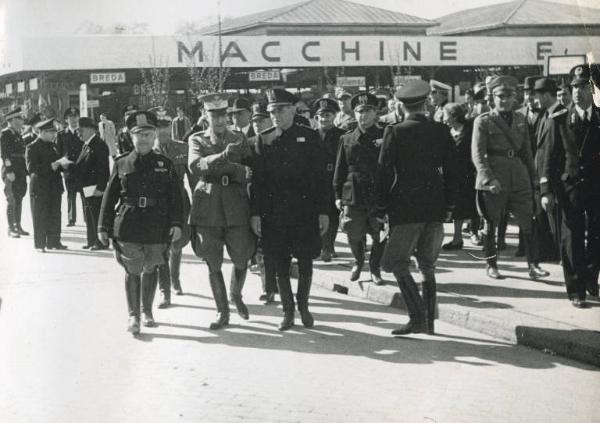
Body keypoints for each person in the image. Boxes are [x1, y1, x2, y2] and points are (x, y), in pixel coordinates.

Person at [375, 80, 459, 335]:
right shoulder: (441, 130)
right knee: (427, 265)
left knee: (395, 262)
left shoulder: (395, 131)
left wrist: (380, 206)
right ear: (425, 104)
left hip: (406, 207)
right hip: (436, 205)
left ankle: (418, 317)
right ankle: (430, 322)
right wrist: (451, 204)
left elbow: (383, 172)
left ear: (401, 106)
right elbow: (454, 172)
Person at [250, 88, 329, 331]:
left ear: (294, 109)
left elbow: (321, 179)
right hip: (274, 214)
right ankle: (288, 311)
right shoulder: (263, 140)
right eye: (272, 110)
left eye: (281, 109)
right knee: (279, 262)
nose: (276, 114)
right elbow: (258, 182)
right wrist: (255, 213)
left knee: (305, 260)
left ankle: (303, 305)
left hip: (305, 211)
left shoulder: (311, 136)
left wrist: (324, 211)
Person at [98, 110, 183, 334]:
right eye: (139, 134)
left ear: (155, 136)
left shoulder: (165, 164)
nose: (143, 138)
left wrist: (177, 223)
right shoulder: (122, 163)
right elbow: (110, 196)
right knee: (133, 268)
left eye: (148, 134)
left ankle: (147, 311)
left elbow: (176, 197)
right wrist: (103, 226)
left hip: (157, 223)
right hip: (129, 224)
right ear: (131, 136)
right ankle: (133, 315)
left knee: (152, 266)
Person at [471, 75, 549, 280]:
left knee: (528, 221)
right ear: (492, 98)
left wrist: (534, 178)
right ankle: (492, 265)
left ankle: (533, 265)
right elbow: (478, 154)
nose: (504, 100)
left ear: (515, 98)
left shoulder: (521, 120)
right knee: (490, 224)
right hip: (494, 180)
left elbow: (527, 152)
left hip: (519, 177)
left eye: (509, 96)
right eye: (500, 96)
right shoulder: (484, 121)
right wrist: (488, 179)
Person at [188, 93, 255, 330]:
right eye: (213, 116)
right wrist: (224, 158)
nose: (218, 121)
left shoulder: (239, 138)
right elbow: (196, 166)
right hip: (209, 205)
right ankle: (222, 311)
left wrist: (224, 166)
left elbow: (249, 170)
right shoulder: (197, 139)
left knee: (242, 255)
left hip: (236, 204)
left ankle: (236, 294)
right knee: (212, 260)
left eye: (222, 116)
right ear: (205, 117)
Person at [540, 64, 600, 308]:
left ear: (592, 89)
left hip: (596, 187)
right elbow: (549, 157)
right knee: (571, 238)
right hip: (570, 187)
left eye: (583, 86)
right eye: (574, 87)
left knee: (597, 236)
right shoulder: (561, 119)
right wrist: (546, 190)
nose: (577, 91)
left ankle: (590, 277)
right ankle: (576, 290)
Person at [333, 92, 386, 284]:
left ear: (375, 113)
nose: (363, 115)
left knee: (379, 232)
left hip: (377, 191)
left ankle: (375, 267)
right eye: (359, 111)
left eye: (368, 111)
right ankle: (358, 261)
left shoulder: (385, 135)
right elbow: (340, 169)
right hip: (353, 193)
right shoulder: (346, 138)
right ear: (354, 114)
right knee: (352, 230)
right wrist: (338, 194)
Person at [151, 107, 191, 306]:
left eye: (167, 127)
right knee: (161, 247)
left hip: (180, 201)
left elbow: (193, 179)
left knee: (177, 244)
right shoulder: (149, 151)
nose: (164, 132)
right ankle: (163, 288)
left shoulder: (182, 148)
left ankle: (175, 279)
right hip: (158, 205)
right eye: (160, 128)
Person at [247, 103, 278, 304]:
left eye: (261, 120)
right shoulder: (249, 143)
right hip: (257, 199)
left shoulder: (279, 140)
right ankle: (268, 288)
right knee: (261, 247)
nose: (257, 124)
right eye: (255, 121)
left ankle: (276, 285)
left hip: (279, 201)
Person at [530, 78, 563, 262]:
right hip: (541, 175)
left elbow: (552, 151)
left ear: (546, 95)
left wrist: (546, 182)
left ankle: (559, 255)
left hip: (552, 178)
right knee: (545, 218)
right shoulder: (545, 115)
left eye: (537, 95)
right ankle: (550, 253)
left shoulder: (558, 115)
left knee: (556, 220)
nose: (535, 99)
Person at [440, 103, 480, 249]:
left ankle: (475, 232)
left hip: (469, 175)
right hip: (452, 176)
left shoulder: (470, 132)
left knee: (472, 205)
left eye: (446, 116)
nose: (444, 119)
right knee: (457, 207)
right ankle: (457, 238)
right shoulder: (446, 132)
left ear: (454, 116)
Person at [25, 119, 68, 252]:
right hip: (40, 187)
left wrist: (62, 165)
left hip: (54, 186)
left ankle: (54, 242)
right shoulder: (32, 147)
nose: (54, 134)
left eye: (54, 131)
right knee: (40, 215)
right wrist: (52, 166)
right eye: (51, 132)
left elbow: (57, 163)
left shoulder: (53, 145)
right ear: (42, 132)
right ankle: (40, 244)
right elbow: (31, 168)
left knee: (55, 214)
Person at [313, 97, 345, 262]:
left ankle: (328, 247)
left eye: (328, 115)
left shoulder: (342, 136)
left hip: (333, 179)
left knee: (332, 214)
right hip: (314, 180)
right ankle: (319, 245)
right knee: (316, 213)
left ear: (334, 116)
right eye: (321, 115)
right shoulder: (311, 135)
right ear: (316, 117)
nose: (324, 119)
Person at [72, 117, 110, 250]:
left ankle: (99, 242)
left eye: (80, 130)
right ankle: (91, 240)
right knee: (89, 213)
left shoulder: (98, 144)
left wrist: (101, 187)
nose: (78, 133)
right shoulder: (87, 144)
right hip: (86, 187)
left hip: (94, 187)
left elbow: (103, 169)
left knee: (95, 213)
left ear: (90, 130)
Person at [1, 107, 29, 238]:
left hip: (20, 170)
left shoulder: (17, 134)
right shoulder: (5, 134)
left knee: (19, 197)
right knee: (11, 199)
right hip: (11, 171)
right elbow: (5, 155)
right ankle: (11, 227)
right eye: (19, 118)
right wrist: (9, 171)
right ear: (11, 120)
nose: (21, 121)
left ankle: (18, 225)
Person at [56, 107, 84, 227]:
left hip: (83, 169)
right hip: (69, 170)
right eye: (70, 117)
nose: (73, 119)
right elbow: (58, 152)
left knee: (84, 194)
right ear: (66, 120)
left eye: (75, 117)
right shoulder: (61, 135)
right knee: (70, 194)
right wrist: (62, 169)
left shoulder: (83, 132)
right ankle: (71, 219)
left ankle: (87, 217)